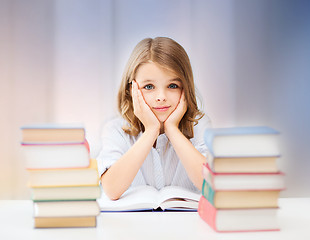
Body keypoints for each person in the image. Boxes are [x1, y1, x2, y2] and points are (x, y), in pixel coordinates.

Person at [97, 37, 210, 200]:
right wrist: (151, 130)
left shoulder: (200, 125)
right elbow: (111, 189)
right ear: (132, 89)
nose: (161, 97)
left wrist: (172, 129)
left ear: (186, 88)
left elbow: (210, 184)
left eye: (172, 86)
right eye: (149, 87)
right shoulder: (116, 129)